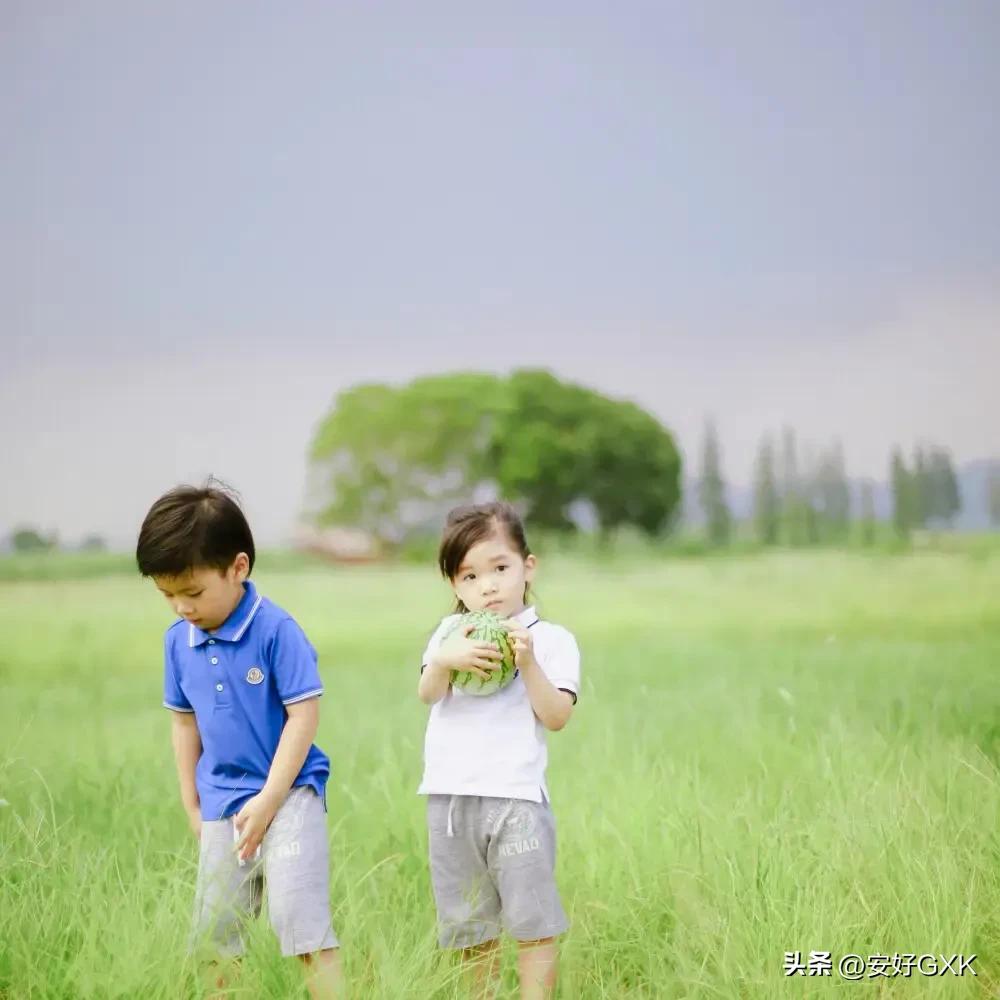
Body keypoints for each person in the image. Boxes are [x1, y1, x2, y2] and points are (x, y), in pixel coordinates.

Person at [136, 482, 341, 998]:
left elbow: (303, 715)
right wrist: (192, 803)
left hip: (290, 792)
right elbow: (185, 724)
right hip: (222, 804)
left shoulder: (276, 630)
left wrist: (272, 798)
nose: (182, 607)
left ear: (238, 568)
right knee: (213, 934)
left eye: (193, 592)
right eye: (168, 595)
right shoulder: (177, 642)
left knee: (299, 918)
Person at [417, 501, 581, 999]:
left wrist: (527, 664)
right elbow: (429, 692)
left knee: (533, 921)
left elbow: (556, 716)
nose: (486, 586)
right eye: (468, 576)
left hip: (516, 800)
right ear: (454, 585)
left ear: (527, 568)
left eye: (500, 568)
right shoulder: (449, 635)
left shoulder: (552, 640)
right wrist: (445, 659)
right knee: (470, 927)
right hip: (450, 801)